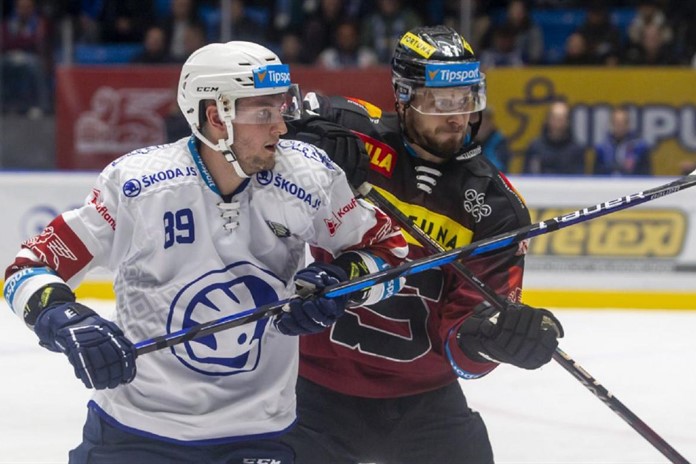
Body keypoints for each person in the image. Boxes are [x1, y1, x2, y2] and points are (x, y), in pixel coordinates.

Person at [2, 41, 408, 463]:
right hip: (135, 432)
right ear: (216, 117)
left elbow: (389, 252)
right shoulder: (138, 185)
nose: (281, 128)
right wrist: (65, 321)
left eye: (281, 108)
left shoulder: (307, 175)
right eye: (263, 113)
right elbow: (28, 268)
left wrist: (342, 283)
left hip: (260, 435)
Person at [281, 25, 564, 463]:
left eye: (466, 99)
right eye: (441, 102)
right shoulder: (351, 131)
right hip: (313, 390)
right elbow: (267, 122)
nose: (457, 117)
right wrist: (297, 139)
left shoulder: (495, 207)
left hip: (424, 405)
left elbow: (464, 340)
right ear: (403, 95)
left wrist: (493, 338)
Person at [523, 99, 586, 174]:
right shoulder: (535, 147)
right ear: (548, 120)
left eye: (561, 119)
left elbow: (579, 177)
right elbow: (527, 175)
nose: (557, 123)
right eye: (554, 118)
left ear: (568, 122)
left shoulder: (576, 150)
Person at [593, 107, 652, 176]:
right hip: (607, 181)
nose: (619, 126)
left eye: (623, 123)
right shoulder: (602, 148)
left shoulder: (640, 147)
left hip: (632, 181)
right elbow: (596, 173)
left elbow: (646, 173)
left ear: (628, 124)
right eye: (617, 123)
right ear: (611, 123)